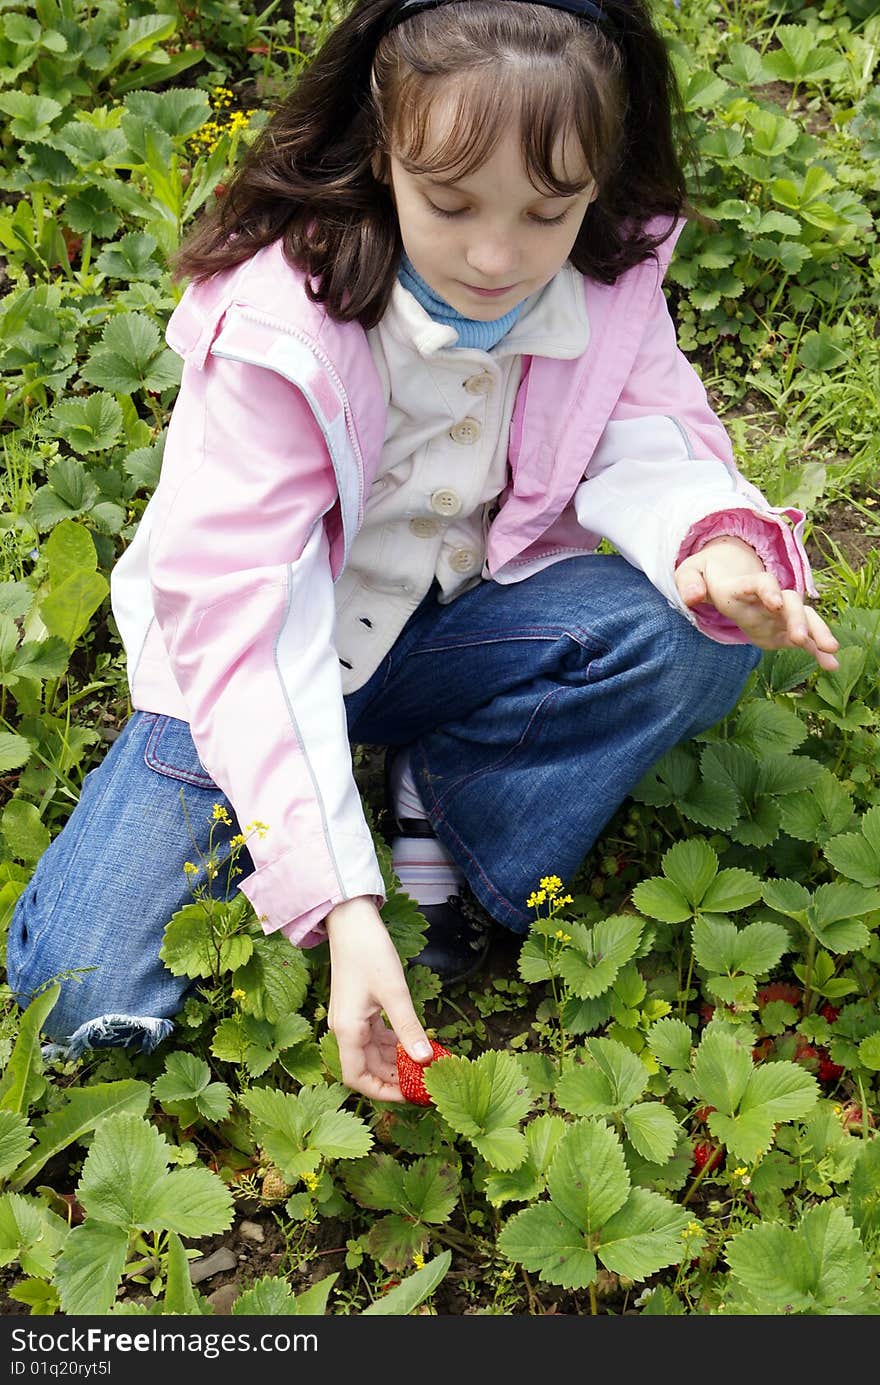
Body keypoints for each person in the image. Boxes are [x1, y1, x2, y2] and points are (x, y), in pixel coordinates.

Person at [5, 0, 839, 1102]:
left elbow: (647, 429)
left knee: (694, 632)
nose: (497, 256)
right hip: (246, 667)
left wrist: (709, 540)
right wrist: (340, 903)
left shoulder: (603, 281)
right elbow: (244, 622)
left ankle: (446, 800)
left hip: (454, 619)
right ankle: (322, 837)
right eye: (448, 204)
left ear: (599, 181)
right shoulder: (278, 329)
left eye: (548, 211)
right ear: (380, 148)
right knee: (77, 1000)